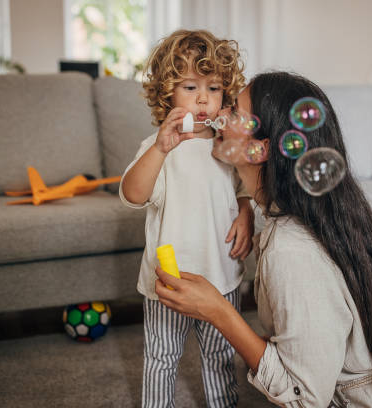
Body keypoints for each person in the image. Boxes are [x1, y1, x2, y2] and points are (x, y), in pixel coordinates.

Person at [154, 72, 372, 407]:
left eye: (234, 112)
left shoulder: (291, 249)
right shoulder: (319, 218)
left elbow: (305, 399)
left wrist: (219, 312)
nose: (219, 115)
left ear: (260, 149)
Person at [119, 30, 254, 408]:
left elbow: (244, 188)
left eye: (213, 88)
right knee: (162, 359)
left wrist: (245, 213)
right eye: (190, 86)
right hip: (168, 281)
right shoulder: (159, 146)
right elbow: (133, 195)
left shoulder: (227, 142)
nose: (202, 98)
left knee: (220, 358)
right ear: (166, 93)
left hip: (221, 275)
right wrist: (160, 150)